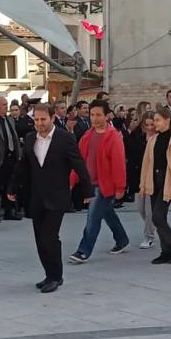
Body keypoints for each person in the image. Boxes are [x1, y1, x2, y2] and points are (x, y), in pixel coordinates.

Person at [8, 104, 92, 293]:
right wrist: (12, 187)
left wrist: (87, 190)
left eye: (43, 119)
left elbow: (78, 164)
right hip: (36, 196)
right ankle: (49, 274)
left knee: (49, 237)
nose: (39, 123)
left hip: (57, 196)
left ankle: (56, 276)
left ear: (52, 118)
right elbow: (23, 166)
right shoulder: (30, 139)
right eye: (36, 120)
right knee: (40, 239)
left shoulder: (65, 138)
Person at [69, 100, 129, 264]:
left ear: (106, 115)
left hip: (105, 186)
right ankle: (122, 239)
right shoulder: (87, 136)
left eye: (98, 115)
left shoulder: (113, 137)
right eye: (92, 114)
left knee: (93, 217)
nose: (94, 118)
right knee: (108, 214)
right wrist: (72, 180)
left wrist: (120, 187)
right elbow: (79, 161)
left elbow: (118, 164)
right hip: (90, 184)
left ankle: (83, 251)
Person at [140, 108, 171, 264]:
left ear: (167, 120)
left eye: (158, 120)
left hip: (167, 184)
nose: (155, 123)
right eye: (154, 120)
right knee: (160, 218)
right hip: (154, 183)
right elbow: (146, 163)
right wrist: (143, 184)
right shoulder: (153, 140)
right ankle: (165, 251)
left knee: (157, 217)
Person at [128, 111, 156, 248]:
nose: (149, 127)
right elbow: (130, 153)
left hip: (154, 178)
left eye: (152, 124)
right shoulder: (136, 136)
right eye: (147, 124)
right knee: (141, 209)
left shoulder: (160, 137)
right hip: (138, 176)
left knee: (150, 209)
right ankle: (153, 225)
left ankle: (149, 235)